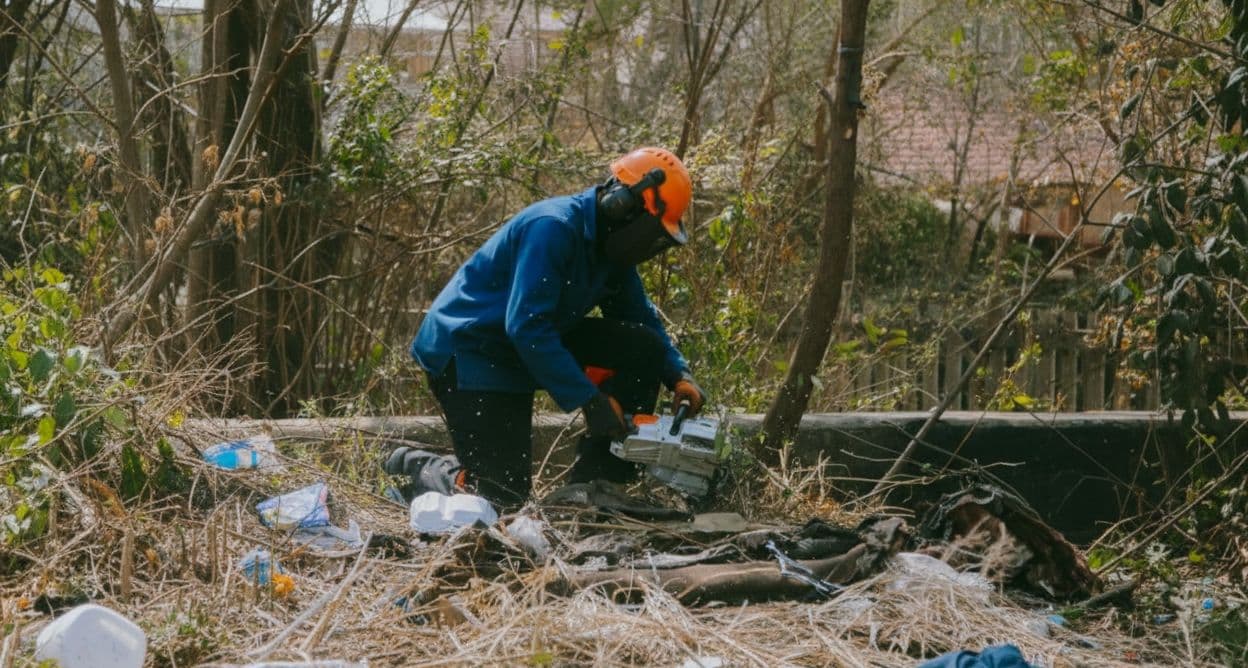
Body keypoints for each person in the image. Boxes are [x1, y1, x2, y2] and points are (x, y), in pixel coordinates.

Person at [385, 147, 707, 509]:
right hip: (472, 351)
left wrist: (678, 373)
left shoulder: (613, 253)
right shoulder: (552, 228)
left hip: (530, 341)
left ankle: (596, 486)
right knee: (501, 501)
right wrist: (590, 399)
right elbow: (526, 326)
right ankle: (415, 466)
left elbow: (641, 318)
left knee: (643, 347)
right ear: (622, 205)